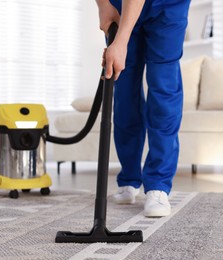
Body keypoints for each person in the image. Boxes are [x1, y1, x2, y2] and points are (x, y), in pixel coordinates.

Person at [96, 0, 190, 217]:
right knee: (124, 90)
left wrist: (121, 41)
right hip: (120, 4)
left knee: (163, 91)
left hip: (169, 6)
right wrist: (102, 4)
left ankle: (158, 185)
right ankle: (129, 178)